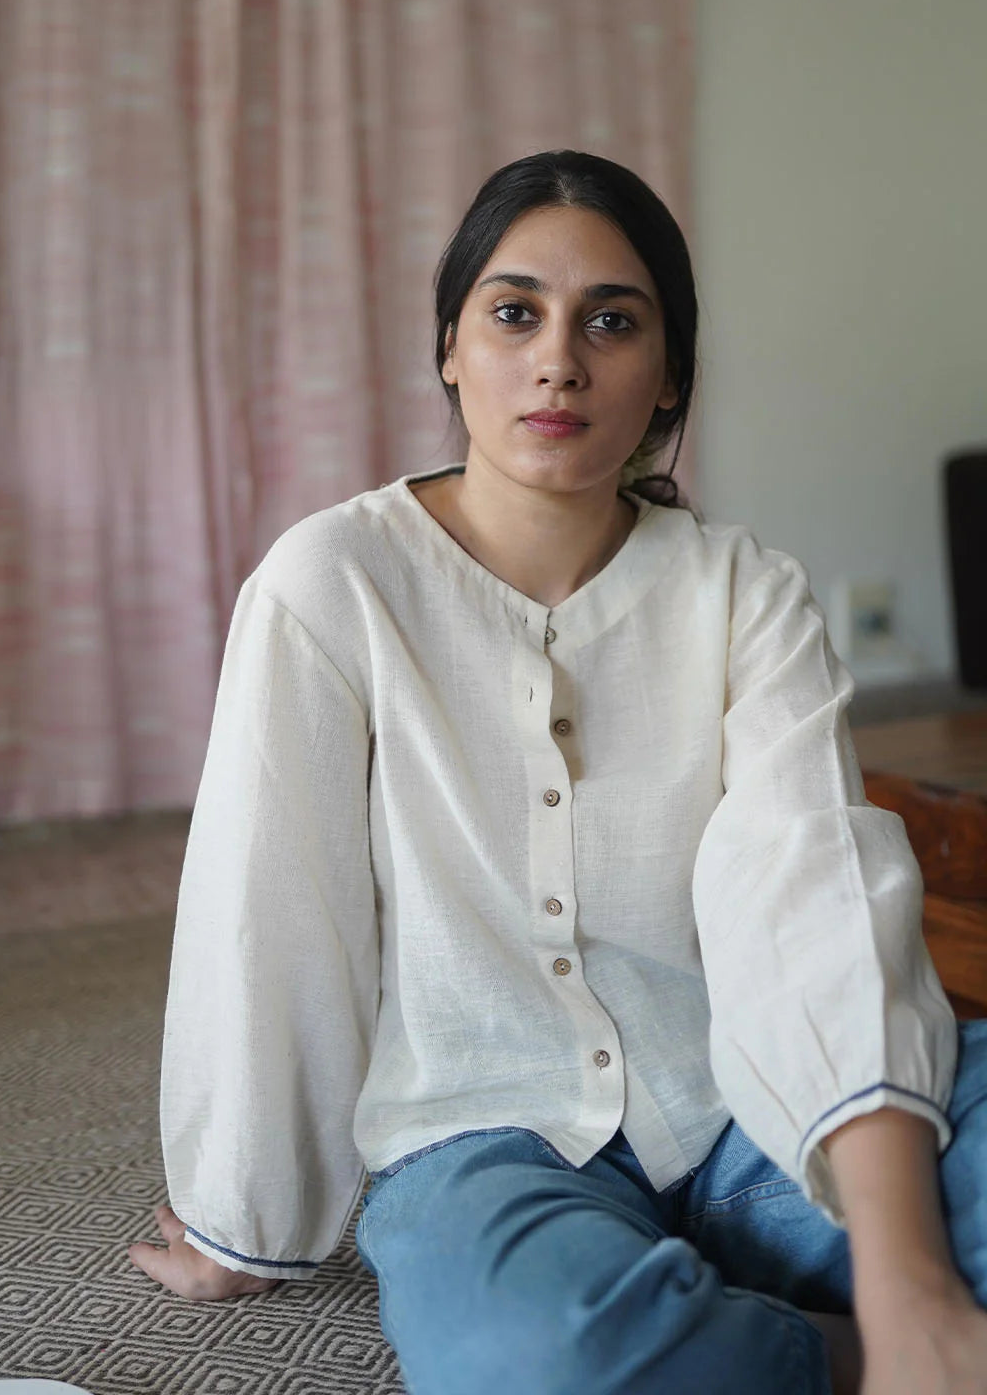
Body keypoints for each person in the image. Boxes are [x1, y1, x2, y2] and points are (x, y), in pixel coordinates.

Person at [129, 150, 987, 1394]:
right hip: (484, 1140)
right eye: (515, 312)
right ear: (449, 349)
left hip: (759, 1100)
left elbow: (811, 893)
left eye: (613, 321)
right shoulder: (330, 584)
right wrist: (245, 1212)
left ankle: (827, 1315)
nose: (560, 359)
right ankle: (855, 1355)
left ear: (671, 373)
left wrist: (908, 1264)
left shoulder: (745, 590)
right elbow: (269, 911)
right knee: (537, 1355)